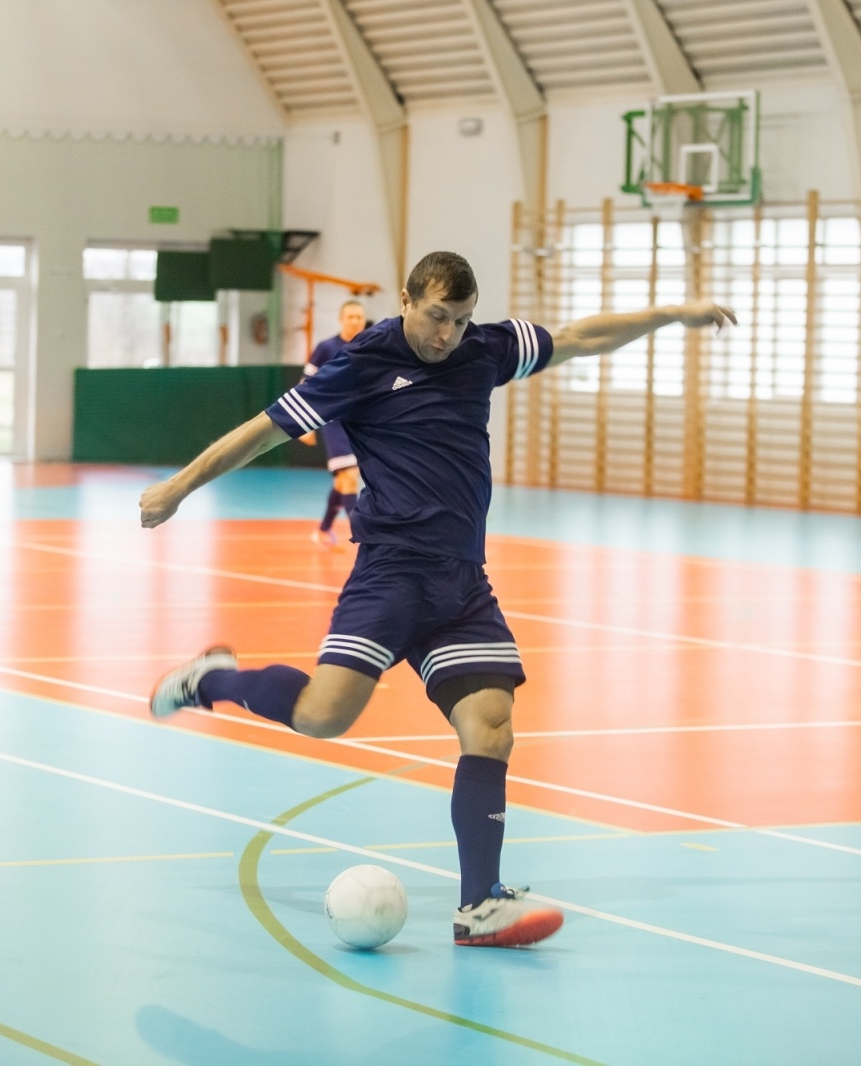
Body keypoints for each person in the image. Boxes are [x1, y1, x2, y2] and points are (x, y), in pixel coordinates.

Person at [142, 251, 734, 947]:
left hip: (461, 583)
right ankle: (213, 680)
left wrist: (670, 314)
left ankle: (478, 904)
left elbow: (577, 338)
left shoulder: (483, 350)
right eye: (435, 317)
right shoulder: (363, 361)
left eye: (458, 319)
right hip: (391, 574)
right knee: (321, 717)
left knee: (491, 725)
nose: (446, 334)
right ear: (406, 300)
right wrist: (177, 488)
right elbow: (262, 432)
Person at [302, 299, 367, 546]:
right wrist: (304, 426)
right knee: (350, 477)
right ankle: (363, 537)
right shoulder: (326, 348)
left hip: (361, 422)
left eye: (359, 317)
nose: (355, 321)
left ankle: (323, 529)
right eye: (350, 316)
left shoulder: (372, 347)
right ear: (341, 319)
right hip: (334, 420)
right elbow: (305, 385)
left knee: (344, 480)